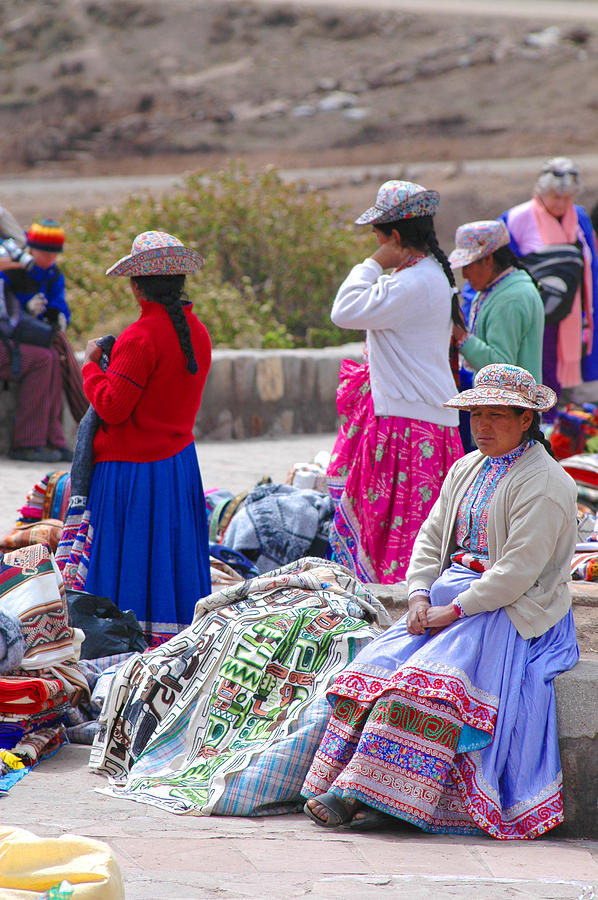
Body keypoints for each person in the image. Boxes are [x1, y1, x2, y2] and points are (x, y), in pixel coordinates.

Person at [303, 363, 579, 840]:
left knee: (424, 684)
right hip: (450, 601)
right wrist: (417, 595)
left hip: (511, 611)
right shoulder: (465, 468)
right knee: (373, 666)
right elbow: (431, 539)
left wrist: (449, 612)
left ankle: (359, 795)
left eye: (497, 416)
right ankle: (369, 792)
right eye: (476, 416)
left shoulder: (548, 483)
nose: (484, 427)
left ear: (526, 421)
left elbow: (516, 571)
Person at [55, 231, 213, 644]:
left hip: (131, 473)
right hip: (177, 467)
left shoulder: (139, 338)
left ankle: (122, 640)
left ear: (136, 285)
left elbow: (111, 407)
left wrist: (90, 366)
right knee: (169, 558)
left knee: (128, 559)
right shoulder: (197, 333)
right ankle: (174, 638)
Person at [326, 180, 464, 584]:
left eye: (378, 235)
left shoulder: (413, 283)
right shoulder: (427, 274)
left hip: (409, 428)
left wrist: (370, 262)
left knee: (400, 538)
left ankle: (402, 618)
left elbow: (344, 310)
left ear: (396, 237)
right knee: (414, 535)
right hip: (424, 422)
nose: (374, 241)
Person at [501, 157, 598, 419]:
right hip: (535, 313)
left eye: (567, 198)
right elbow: (505, 263)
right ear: (542, 192)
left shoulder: (578, 216)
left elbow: (591, 263)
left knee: (571, 382)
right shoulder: (517, 217)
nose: (561, 204)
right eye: (556, 197)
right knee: (539, 373)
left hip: (572, 313)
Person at [0, 218, 88, 425]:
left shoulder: (53, 274)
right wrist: (26, 309)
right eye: (45, 253)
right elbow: (8, 310)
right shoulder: (12, 269)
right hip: (16, 335)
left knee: (56, 358)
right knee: (54, 349)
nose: (50, 258)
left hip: (34, 335)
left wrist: (59, 316)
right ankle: (84, 415)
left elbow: (59, 302)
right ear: (32, 249)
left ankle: (53, 436)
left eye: (54, 254)